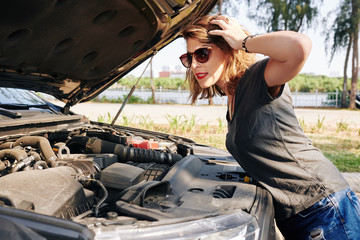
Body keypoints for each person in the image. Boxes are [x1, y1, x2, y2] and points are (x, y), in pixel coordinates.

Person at [179, 14, 360, 240]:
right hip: (296, 215)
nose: (195, 64)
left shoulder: (257, 78)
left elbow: (299, 46)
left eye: (202, 53)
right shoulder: (232, 98)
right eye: (188, 57)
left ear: (227, 48)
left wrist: (243, 41)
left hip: (322, 207)